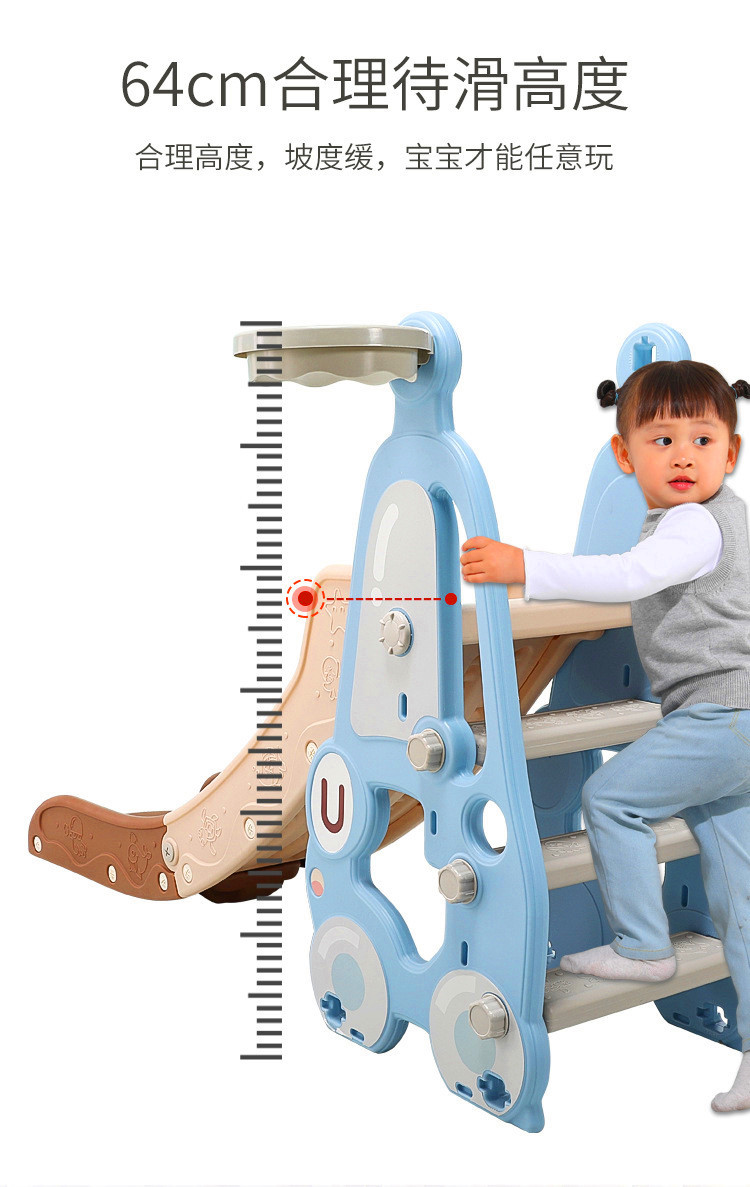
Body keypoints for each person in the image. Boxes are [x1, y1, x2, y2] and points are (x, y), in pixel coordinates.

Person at [460, 360, 750, 1113]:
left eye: (702, 439)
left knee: (611, 798)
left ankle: (644, 948)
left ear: (731, 451)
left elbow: (629, 576)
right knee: (738, 899)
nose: (683, 455)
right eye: (662, 440)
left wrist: (523, 566)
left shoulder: (692, 524)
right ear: (626, 456)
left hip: (718, 717)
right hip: (736, 722)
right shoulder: (731, 517)